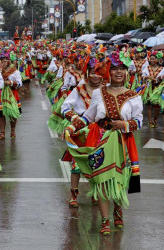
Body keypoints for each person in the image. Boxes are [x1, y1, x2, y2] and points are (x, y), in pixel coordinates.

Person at [65, 51, 142, 236]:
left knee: (119, 181)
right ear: (108, 71)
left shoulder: (134, 96)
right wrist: (71, 128)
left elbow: (139, 121)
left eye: (122, 69)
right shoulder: (100, 93)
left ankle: (118, 210)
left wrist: (124, 124)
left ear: (126, 72)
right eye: (114, 69)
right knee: (101, 180)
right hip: (100, 139)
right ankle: (105, 220)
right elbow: (89, 116)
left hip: (122, 141)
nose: (118, 72)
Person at [61, 57, 103, 207]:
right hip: (80, 130)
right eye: (93, 73)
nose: (96, 76)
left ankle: (96, 193)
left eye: (99, 73)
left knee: (98, 163)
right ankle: (74, 195)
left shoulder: (107, 90)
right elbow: (65, 107)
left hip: (99, 132)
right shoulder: (79, 89)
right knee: (76, 166)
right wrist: (75, 119)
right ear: (87, 73)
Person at [0, 51, 23, 140]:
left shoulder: (15, 71)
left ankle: (12, 130)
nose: (5, 62)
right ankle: (2, 132)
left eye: (6, 60)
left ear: (9, 61)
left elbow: (20, 83)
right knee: (1, 114)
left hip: (12, 93)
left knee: (12, 113)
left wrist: (10, 83)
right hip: (0, 94)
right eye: (2, 60)